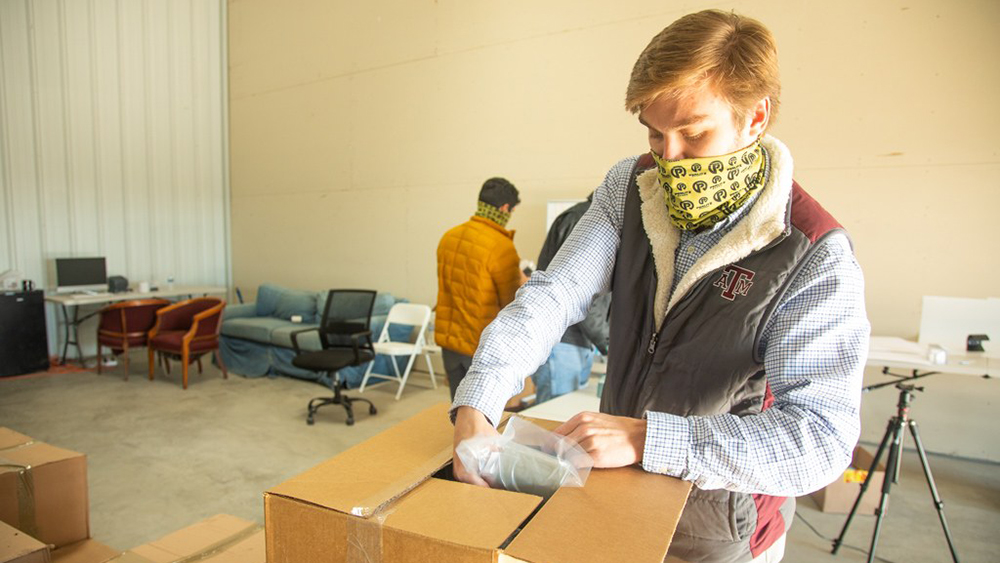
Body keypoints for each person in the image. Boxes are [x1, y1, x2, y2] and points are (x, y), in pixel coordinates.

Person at [450, 10, 870, 562]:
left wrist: (649, 440)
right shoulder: (631, 185)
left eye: (693, 133)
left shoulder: (811, 253)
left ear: (755, 118)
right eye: (654, 132)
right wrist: (477, 403)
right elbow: (552, 295)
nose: (669, 157)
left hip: (721, 527)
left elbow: (819, 440)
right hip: (615, 497)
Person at [435, 177, 525, 400]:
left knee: (457, 410)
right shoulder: (501, 246)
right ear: (505, 208)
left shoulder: (449, 237)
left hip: (449, 344)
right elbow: (510, 304)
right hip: (480, 346)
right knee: (482, 418)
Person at [531, 193, 610, 403]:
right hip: (563, 342)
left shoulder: (586, 217)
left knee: (565, 418)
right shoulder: (585, 220)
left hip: (576, 341)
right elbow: (582, 294)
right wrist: (608, 344)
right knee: (554, 421)